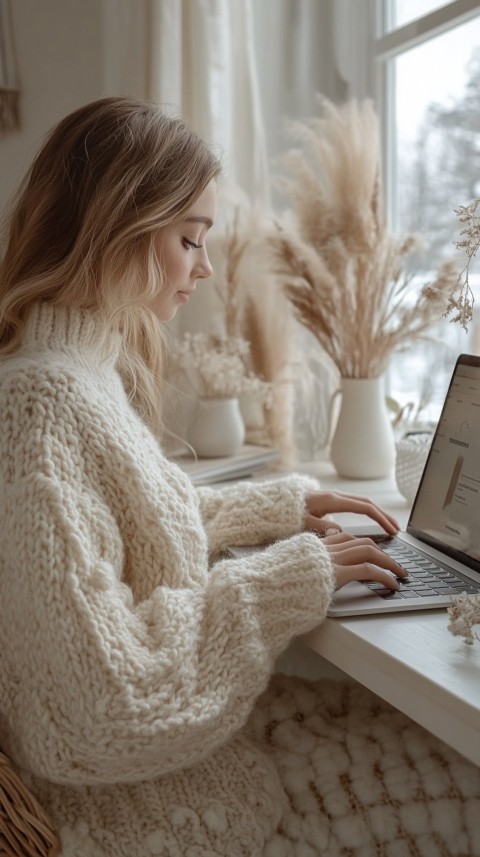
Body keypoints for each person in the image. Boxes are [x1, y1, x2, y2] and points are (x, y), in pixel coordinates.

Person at [0, 96, 478, 857]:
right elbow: (93, 711)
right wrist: (288, 580)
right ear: (119, 225)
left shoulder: (72, 376)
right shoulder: (41, 403)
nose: (205, 265)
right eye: (190, 238)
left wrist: (284, 505)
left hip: (194, 775)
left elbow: (130, 520)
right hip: (167, 817)